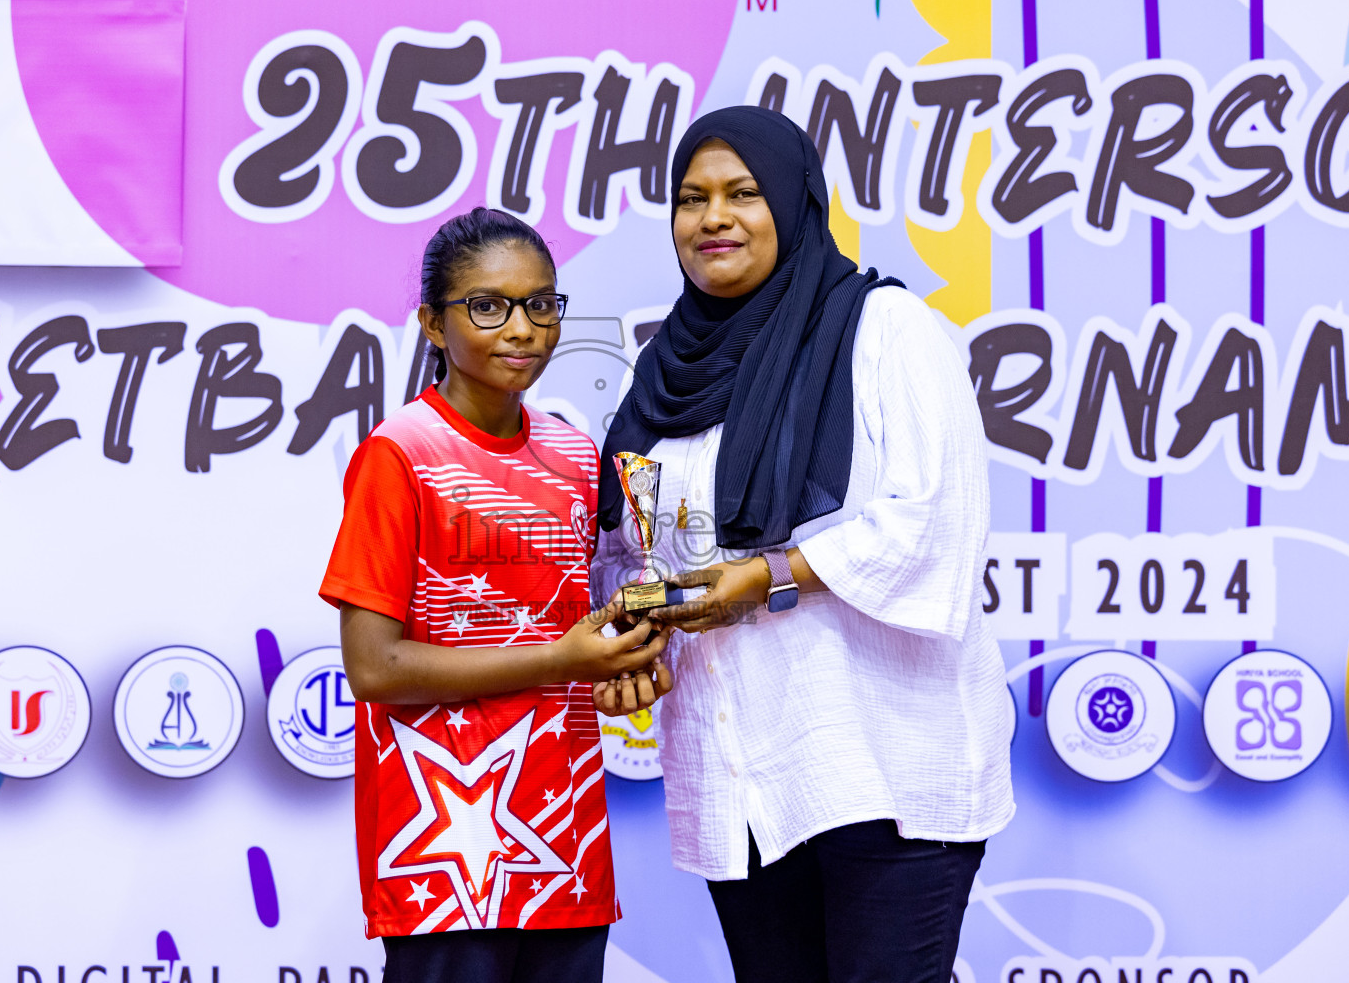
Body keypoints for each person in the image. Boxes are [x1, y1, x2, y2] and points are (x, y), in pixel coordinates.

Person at [592, 107, 1014, 983]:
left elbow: (933, 520)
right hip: (742, 770)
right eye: (690, 198)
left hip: (880, 765)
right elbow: (642, 548)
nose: (713, 217)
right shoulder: (662, 372)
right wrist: (641, 632)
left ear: (795, 202)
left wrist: (769, 575)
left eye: (743, 193)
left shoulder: (887, 330)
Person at [320, 207, 672, 983]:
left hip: (565, 842)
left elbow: (592, 623)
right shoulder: (401, 454)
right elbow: (375, 668)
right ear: (432, 325)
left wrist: (625, 663)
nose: (522, 328)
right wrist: (560, 659)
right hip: (442, 853)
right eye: (488, 306)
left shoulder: (576, 455)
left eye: (541, 304)